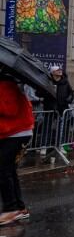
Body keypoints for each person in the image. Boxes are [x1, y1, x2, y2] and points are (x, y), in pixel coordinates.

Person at [0, 79, 34, 226]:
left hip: (15, 133)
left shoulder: (5, 86)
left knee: (3, 170)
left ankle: (11, 208)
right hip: (13, 133)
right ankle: (19, 208)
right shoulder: (9, 85)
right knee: (9, 170)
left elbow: (10, 109)